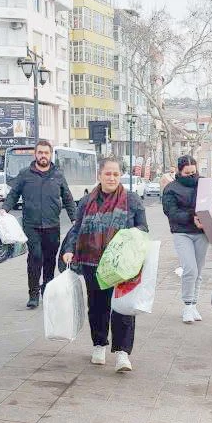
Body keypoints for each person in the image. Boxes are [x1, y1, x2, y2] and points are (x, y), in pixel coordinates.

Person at [61, 157, 148, 372]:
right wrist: (69, 249)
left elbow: (143, 228)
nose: (112, 178)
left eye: (116, 174)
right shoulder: (86, 201)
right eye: (107, 174)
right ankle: (99, 344)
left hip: (122, 264)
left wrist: (130, 241)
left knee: (122, 307)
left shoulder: (132, 200)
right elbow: (77, 228)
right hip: (93, 261)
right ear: (99, 175)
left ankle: (122, 353)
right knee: (98, 306)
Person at [1, 139, 76, 309]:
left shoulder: (58, 175)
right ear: (35, 154)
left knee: (49, 261)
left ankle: (47, 291)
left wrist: (74, 218)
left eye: (46, 153)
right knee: (35, 257)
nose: (43, 155)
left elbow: (68, 198)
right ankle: (33, 293)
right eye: (40, 152)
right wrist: (5, 209)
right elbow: (13, 194)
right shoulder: (25, 174)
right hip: (31, 225)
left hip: (52, 225)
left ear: (50, 155)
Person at [162, 155, 212, 324]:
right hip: (182, 232)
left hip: (202, 233)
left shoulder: (205, 182)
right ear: (179, 171)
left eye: (194, 172)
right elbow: (171, 211)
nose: (192, 176)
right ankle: (187, 305)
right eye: (187, 173)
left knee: (198, 271)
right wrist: (192, 217)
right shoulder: (171, 188)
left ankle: (193, 305)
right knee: (190, 268)